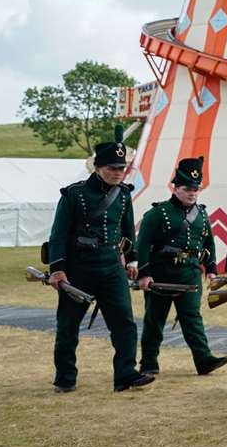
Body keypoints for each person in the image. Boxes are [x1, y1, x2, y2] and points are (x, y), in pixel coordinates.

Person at [46, 128, 150, 393]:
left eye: (121, 168)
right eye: (113, 168)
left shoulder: (124, 194)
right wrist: (57, 269)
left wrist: (133, 261)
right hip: (78, 268)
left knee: (124, 322)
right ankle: (65, 377)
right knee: (68, 325)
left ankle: (126, 373)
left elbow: (128, 231)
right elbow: (58, 234)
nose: (118, 173)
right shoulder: (74, 194)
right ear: (99, 167)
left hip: (111, 268)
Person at [135, 156, 227, 377]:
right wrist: (145, 274)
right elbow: (143, 245)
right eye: (187, 188)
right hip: (161, 274)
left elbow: (208, 242)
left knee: (192, 318)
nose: (192, 193)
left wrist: (212, 268)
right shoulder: (158, 213)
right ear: (175, 187)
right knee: (154, 320)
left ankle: (203, 359)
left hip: (189, 273)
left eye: (196, 189)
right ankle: (148, 362)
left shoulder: (202, 214)